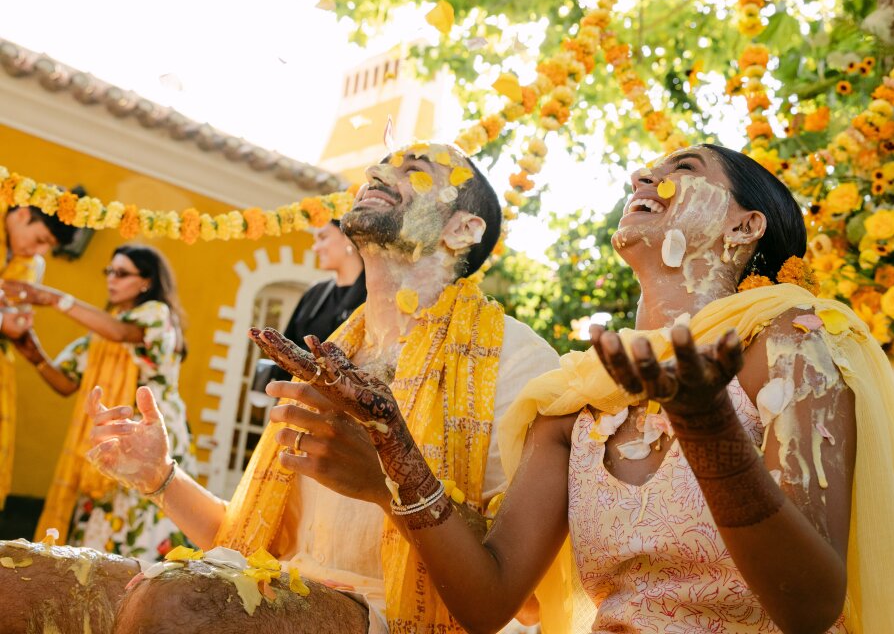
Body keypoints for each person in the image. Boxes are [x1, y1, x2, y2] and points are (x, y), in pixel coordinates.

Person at [248, 144, 894, 633]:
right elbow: (489, 601)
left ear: (746, 226)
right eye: (645, 171)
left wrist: (706, 428)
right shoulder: (580, 394)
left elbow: (809, 606)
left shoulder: (793, 342)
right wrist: (393, 465)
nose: (644, 180)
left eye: (682, 169)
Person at [1, 143, 559, 634]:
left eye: (414, 167)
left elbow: (495, 600)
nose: (378, 171)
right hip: (275, 593)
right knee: (14, 579)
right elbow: (244, 540)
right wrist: (161, 476)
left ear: (462, 229)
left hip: (387, 615)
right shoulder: (332, 354)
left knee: (180, 604)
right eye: (380, 164)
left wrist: (390, 480)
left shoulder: (518, 362)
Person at [3, 244, 196, 563]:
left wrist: (53, 298)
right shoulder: (100, 334)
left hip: (152, 439)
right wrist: (31, 350)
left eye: (121, 273)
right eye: (109, 271)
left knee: (142, 528)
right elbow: (65, 383)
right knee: (101, 531)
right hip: (112, 440)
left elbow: (121, 333)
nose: (111, 279)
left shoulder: (157, 317)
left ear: (146, 281)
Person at [0, 203, 79, 509]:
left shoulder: (33, 263)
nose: (41, 251)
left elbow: (15, 313)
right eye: (41, 238)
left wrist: (18, 324)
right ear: (21, 215)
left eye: (48, 245)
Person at [267, 218, 366, 383]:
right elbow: (284, 348)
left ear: (348, 236)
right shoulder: (314, 292)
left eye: (323, 237)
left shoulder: (373, 293)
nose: (315, 247)